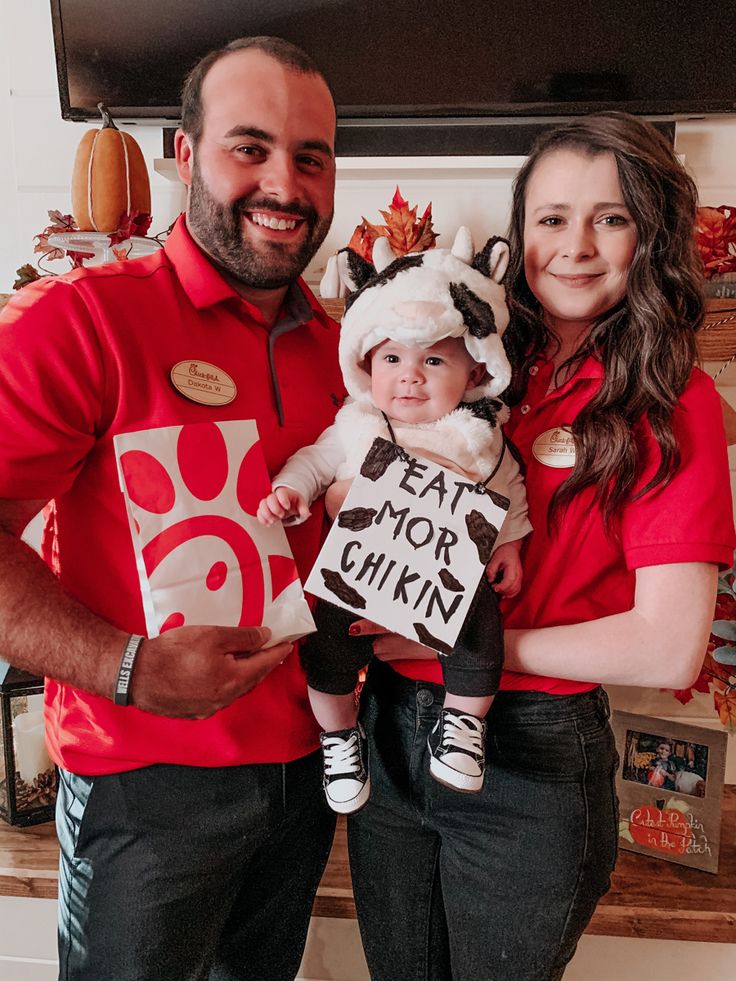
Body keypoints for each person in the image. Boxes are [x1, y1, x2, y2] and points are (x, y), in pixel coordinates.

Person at [344, 111, 736, 981]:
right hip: (393, 731)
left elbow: (669, 643)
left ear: (651, 235)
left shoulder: (671, 400)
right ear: (519, 233)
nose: (576, 246)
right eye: (552, 218)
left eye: (612, 217)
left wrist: (462, 644)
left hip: (532, 752)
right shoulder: (463, 360)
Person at [0, 36, 343, 981]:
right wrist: (126, 666)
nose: (285, 182)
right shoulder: (79, 321)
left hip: (311, 778)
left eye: (310, 157)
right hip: (141, 791)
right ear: (183, 156)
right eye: (250, 147)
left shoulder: (355, 354)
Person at [257, 232, 530, 811]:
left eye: (434, 360)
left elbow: (508, 488)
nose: (411, 377)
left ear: (475, 373)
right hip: (358, 573)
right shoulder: (357, 425)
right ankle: (338, 735)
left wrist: (510, 543)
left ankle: (462, 726)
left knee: (481, 630)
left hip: (442, 577)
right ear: (365, 365)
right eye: (392, 360)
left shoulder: (477, 437)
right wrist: (290, 488)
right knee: (324, 646)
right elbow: (315, 460)